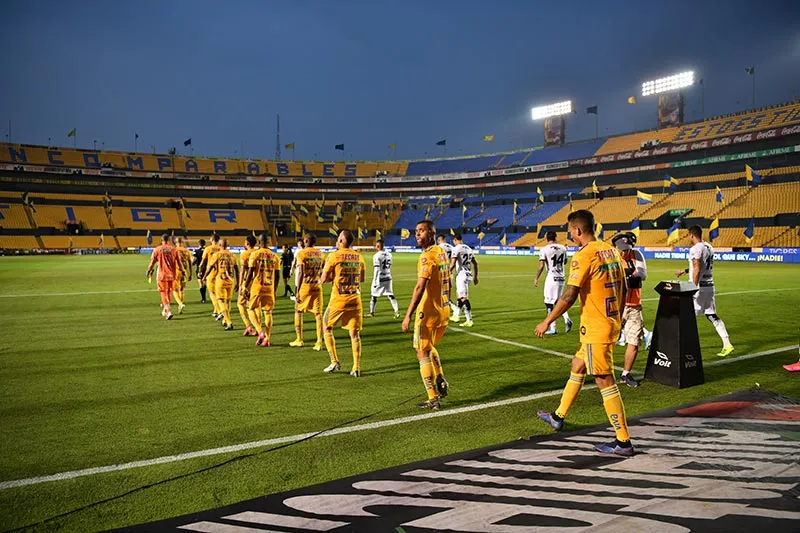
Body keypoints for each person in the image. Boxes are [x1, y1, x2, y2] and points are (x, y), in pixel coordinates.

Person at [535, 209, 634, 457]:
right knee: (578, 365)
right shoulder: (611, 250)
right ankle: (558, 416)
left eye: (570, 231)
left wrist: (548, 320)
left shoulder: (585, 255)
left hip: (595, 328)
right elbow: (624, 285)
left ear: (578, 230)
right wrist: (619, 316)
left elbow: (569, 295)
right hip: (609, 322)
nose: (570, 235)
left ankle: (623, 442)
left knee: (604, 380)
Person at [402, 220, 452, 410]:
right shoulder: (442, 252)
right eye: (416, 231)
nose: (417, 234)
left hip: (428, 312)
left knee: (421, 351)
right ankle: (440, 376)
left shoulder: (427, 257)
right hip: (443, 310)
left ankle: (433, 397)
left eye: (421, 231)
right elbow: (449, 281)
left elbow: (419, 287)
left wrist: (408, 315)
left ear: (431, 234)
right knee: (429, 347)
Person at [675, 225, 735, 357]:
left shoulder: (695, 248)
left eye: (688, 236)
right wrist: (684, 271)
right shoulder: (709, 246)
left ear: (691, 235)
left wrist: (693, 287)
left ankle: (682, 346)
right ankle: (727, 344)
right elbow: (701, 265)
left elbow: (697, 267)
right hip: (709, 285)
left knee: (685, 316)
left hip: (699, 288)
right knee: (712, 315)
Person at [320, 229, 366, 376]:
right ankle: (356, 368)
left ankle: (334, 361)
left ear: (340, 241)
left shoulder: (334, 256)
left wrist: (331, 278)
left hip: (339, 300)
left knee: (326, 326)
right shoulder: (359, 257)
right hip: (355, 299)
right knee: (354, 334)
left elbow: (323, 278)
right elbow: (362, 278)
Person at [612, 231, 652, 388]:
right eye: (621, 248)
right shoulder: (612, 256)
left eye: (626, 247)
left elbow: (642, 274)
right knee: (606, 339)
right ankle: (600, 370)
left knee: (634, 342)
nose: (624, 251)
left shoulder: (636, 254)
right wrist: (629, 275)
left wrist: (626, 276)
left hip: (634, 305)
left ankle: (625, 374)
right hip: (615, 305)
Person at [289, 233, 325, 350]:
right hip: (317, 285)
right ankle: (319, 341)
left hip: (306, 285)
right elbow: (323, 270)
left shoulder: (302, 253)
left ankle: (299, 339)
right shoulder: (321, 254)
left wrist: (298, 289)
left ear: (305, 241)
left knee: (298, 310)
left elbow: (300, 273)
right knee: (318, 314)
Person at [533, 231, 573, 335]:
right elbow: (565, 262)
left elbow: (541, 266)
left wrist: (536, 278)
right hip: (561, 277)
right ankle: (567, 319)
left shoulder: (544, 249)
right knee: (558, 301)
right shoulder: (563, 248)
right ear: (556, 237)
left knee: (548, 303)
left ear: (546, 238)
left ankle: (553, 328)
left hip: (551, 278)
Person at [246, 234, 280, 346]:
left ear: (259, 242)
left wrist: (245, 287)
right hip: (269, 287)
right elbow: (277, 275)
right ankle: (268, 338)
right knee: (268, 312)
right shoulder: (274, 256)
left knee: (250, 309)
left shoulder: (255, 254)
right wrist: (274, 290)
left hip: (257, 286)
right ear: (269, 242)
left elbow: (250, 273)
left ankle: (260, 332)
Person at [204, 238, 239, 330]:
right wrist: (238, 282)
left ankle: (228, 321)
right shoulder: (233, 255)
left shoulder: (217, 255)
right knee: (228, 301)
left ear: (219, 245)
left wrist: (204, 276)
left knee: (221, 301)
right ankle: (224, 319)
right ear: (228, 245)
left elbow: (210, 267)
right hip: (231, 281)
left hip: (221, 281)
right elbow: (237, 270)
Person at [146, 234, 179, 320]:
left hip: (162, 274)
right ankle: (165, 309)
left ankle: (168, 311)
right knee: (168, 292)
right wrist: (183, 271)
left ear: (161, 240)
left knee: (163, 292)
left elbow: (152, 262)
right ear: (169, 240)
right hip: (172, 274)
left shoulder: (157, 249)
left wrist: (149, 270)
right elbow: (179, 263)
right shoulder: (174, 249)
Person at [450, 233, 479, 327]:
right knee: (459, 296)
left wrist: (446, 272)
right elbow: (475, 264)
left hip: (461, 275)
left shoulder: (456, 248)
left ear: (455, 240)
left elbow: (453, 264)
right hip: (469, 275)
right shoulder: (469, 249)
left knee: (463, 298)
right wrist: (475, 277)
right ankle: (456, 315)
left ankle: (469, 320)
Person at [368, 239, 400, 318]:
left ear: (378, 246)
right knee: (390, 295)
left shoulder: (376, 256)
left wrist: (375, 281)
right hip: (388, 277)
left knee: (374, 295)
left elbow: (377, 269)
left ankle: (371, 312)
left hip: (380, 278)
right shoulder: (389, 254)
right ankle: (396, 311)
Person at [198, 234, 223, 320]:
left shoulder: (208, 249)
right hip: (221, 274)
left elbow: (203, 262)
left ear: (211, 239)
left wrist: (200, 272)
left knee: (213, 294)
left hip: (211, 274)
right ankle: (216, 311)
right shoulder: (221, 249)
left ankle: (220, 311)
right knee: (219, 293)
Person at [238, 235, 258, 336]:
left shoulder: (244, 254)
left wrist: (241, 284)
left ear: (247, 243)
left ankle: (248, 325)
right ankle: (258, 328)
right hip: (257, 282)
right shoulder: (257, 253)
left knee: (240, 303)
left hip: (247, 282)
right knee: (256, 306)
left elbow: (243, 271)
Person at [437, 234, 458, 319]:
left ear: (439, 240)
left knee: (442, 294)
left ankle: (454, 308)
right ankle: (446, 310)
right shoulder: (452, 247)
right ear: (444, 239)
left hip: (442, 273)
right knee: (445, 293)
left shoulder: (438, 248)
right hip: (450, 272)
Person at [173, 236, 193, 314]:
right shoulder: (187, 251)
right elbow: (190, 263)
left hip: (176, 272)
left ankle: (180, 304)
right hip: (184, 272)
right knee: (181, 289)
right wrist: (191, 273)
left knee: (174, 290)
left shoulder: (174, 250)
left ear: (176, 242)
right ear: (183, 242)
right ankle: (180, 306)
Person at [289, 238, 305, 302]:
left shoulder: (298, 251)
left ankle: (297, 297)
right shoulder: (305, 250)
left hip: (299, 269)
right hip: (305, 270)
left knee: (297, 283)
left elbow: (294, 261)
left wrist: (291, 270)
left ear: (299, 244)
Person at [194, 239, 206, 303]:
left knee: (200, 283)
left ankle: (203, 298)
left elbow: (194, 260)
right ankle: (204, 298)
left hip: (199, 268)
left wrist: (193, 263)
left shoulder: (197, 251)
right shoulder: (207, 250)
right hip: (207, 269)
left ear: (199, 244)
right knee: (204, 282)